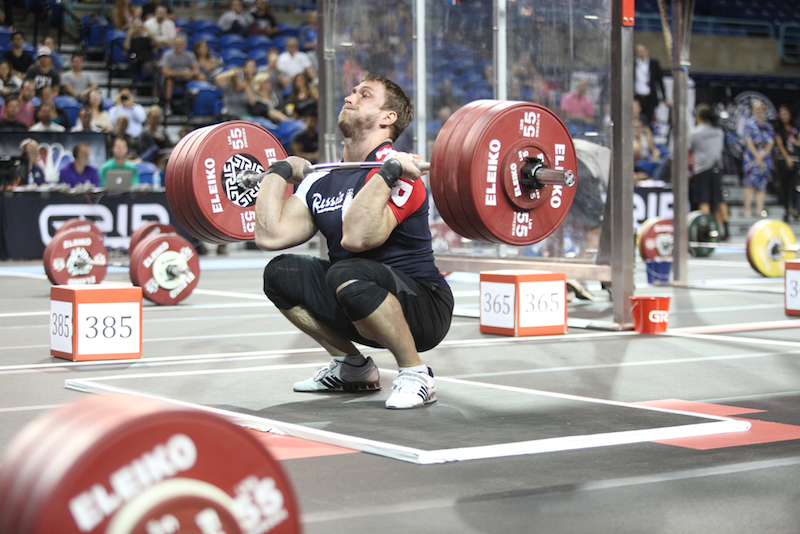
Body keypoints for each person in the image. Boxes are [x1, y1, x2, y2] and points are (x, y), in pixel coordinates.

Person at [255, 75, 454, 410]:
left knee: (346, 271)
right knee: (281, 273)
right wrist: (279, 171)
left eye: (364, 94)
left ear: (387, 118)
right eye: (351, 91)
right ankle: (352, 367)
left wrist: (389, 172)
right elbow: (270, 235)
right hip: (354, 298)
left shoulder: (405, 173)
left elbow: (358, 238)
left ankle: (416, 373)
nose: (350, 97)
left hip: (423, 306)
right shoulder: (321, 180)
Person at [689, 103, 728, 239]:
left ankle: (706, 232)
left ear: (698, 116)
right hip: (717, 169)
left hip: (702, 170)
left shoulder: (695, 132)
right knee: (718, 200)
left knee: (704, 200)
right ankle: (725, 231)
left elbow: (689, 148)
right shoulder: (718, 131)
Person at [742, 99, 775, 218]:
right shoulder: (749, 124)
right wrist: (756, 156)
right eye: (756, 109)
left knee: (762, 185)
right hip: (751, 156)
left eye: (761, 109)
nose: (759, 111)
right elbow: (748, 141)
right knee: (750, 184)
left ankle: (759, 210)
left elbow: (770, 142)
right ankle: (747, 210)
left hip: (764, 156)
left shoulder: (768, 126)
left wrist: (762, 155)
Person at [159, 34, 200, 114]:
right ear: (173, 45)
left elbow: (196, 70)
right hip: (173, 78)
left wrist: (190, 73)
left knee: (200, 77)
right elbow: (165, 71)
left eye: (181, 44)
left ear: (185, 45)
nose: (179, 46)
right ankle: (168, 105)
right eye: (177, 44)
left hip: (186, 78)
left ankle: (195, 106)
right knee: (168, 81)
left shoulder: (190, 55)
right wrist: (181, 74)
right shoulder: (168, 55)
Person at [773, 104, 800, 222]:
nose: (784, 116)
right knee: (784, 186)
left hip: (796, 159)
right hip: (783, 160)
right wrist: (787, 158)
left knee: (795, 186)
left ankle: (795, 209)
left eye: (786, 113)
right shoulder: (778, 129)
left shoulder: (795, 128)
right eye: (781, 114)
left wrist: (795, 142)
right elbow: (780, 145)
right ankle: (786, 210)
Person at [634, 43, 665, 127]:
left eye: (642, 51)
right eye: (639, 51)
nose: (641, 53)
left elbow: (659, 81)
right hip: (637, 96)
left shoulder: (654, 64)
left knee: (649, 119)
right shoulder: (633, 64)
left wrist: (664, 97)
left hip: (649, 97)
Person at [125, 15, 158, 83]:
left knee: (156, 66)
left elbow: (157, 45)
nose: (137, 28)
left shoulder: (146, 39)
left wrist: (148, 31)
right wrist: (129, 34)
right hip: (138, 61)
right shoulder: (131, 40)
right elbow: (126, 48)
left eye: (139, 26)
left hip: (149, 59)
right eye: (135, 26)